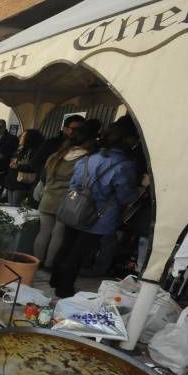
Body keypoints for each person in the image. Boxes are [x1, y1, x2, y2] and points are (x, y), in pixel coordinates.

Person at [50, 121, 139, 298]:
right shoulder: (125, 165)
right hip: (99, 216)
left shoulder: (89, 157)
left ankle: (55, 280)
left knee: (66, 246)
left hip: (76, 208)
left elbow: (74, 184)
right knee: (79, 253)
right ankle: (64, 289)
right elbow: (124, 196)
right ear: (127, 140)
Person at [33, 120, 98, 270]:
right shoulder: (85, 159)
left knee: (43, 232)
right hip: (67, 201)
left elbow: (44, 177)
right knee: (58, 234)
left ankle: (35, 262)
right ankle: (49, 264)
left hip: (48, 198)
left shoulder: (55, 156)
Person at [31, 114, 84, 180]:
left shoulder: (84, 147)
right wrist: (49, 174)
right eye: (75, 129)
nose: (78, 132)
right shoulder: (51, 144)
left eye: (81, 130)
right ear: (65, 128)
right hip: (48, 183)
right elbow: (35, 162)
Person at [4, 129, 44, 206]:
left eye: (23, 136)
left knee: (16, 208)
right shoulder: (20, 149)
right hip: (11, 182)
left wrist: (18, 166)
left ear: (29, 138)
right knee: (10, 207)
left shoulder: (34, 151)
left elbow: (33, 167)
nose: (20, 138)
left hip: (21, 183)